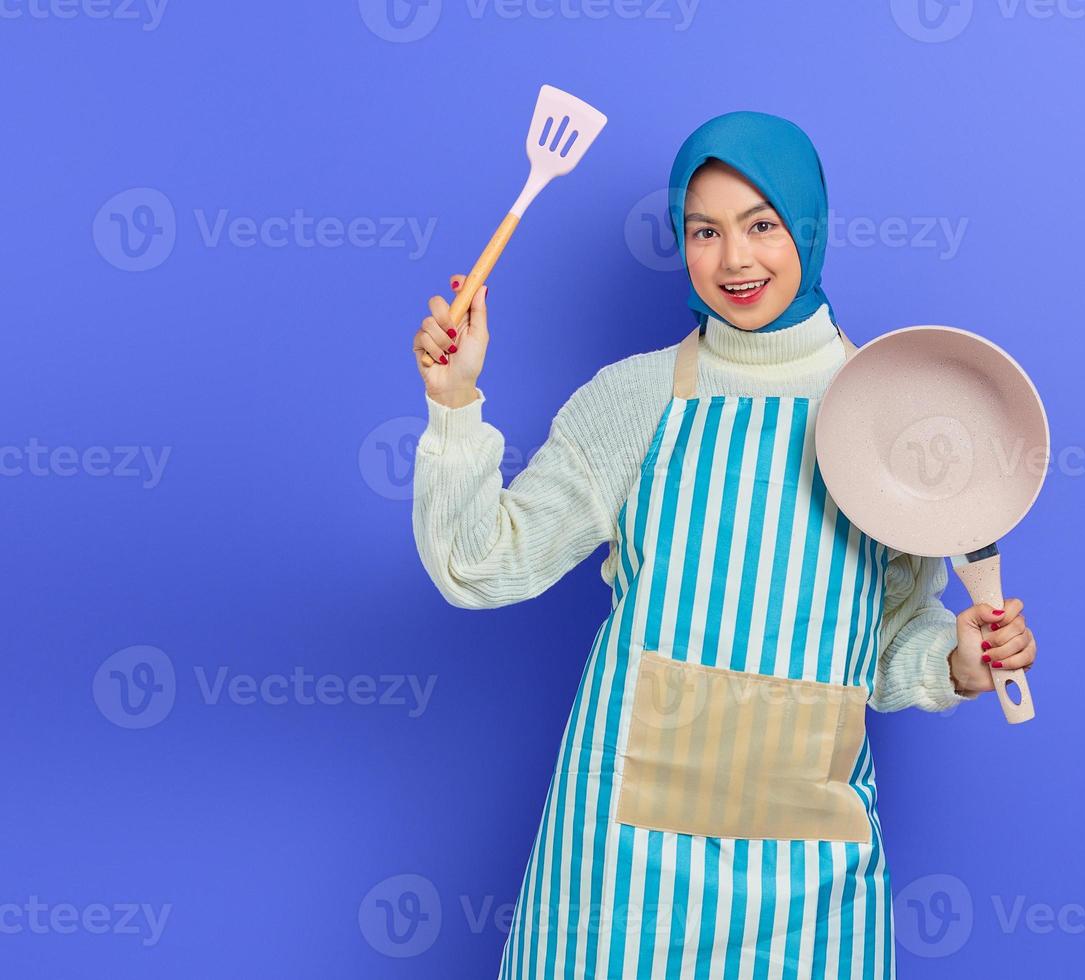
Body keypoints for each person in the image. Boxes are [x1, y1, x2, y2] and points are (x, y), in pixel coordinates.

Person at [410, 110, 1037, 979]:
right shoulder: (635, 400)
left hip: (805, 871)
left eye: (763, 226)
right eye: (704, 231)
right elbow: (478, 566)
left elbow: (889, 641)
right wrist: (454, 404)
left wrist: (959, 661)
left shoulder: (891, 414)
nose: (735, 260)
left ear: (808, 229)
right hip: (622, 870)